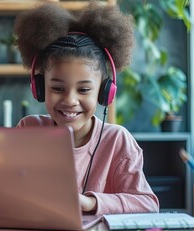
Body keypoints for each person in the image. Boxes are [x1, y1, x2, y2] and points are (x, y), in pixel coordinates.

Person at [13, 2, 159, 215]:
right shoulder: (29, 130)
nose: (70, 100)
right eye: (57, 88)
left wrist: (90, 203)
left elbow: (147, 204)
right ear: (40, 87)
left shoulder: (117, 140)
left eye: (83, 90)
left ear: (104, 91)